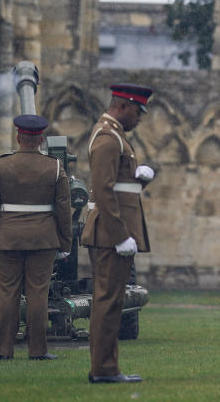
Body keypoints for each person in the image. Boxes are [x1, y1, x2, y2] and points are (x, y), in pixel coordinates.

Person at [0, 115, 71, 360]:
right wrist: (65, 243)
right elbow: (64, 208)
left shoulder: (1, 165)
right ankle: (38, 350)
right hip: (43, 239)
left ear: (18, 137)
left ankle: (3, 350)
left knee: (7, 294)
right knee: (38, 294)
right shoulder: (55, 166)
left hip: (8, 238)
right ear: (41, 138)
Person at [82, 83, 154, 383]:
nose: (139, 119)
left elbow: (119, 186)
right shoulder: (109, 138)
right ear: (123, 107)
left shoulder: (115, 136)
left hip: (115, 230)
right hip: (112, 233)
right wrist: (120, 234)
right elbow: (104, 189)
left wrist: (139, 179)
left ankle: (106, 367)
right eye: (137, 112)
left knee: (111, 301)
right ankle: (104, 369)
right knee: (107, 301)